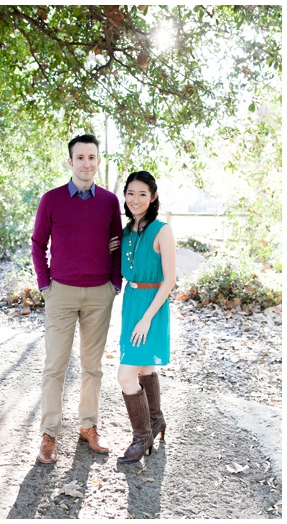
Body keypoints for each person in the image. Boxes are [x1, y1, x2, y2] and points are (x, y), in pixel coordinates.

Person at [31, 134, 123, 464]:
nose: (86, 163)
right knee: (55, 366)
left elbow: (118, 244)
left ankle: (88, 427)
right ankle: (49, 434)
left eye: (92, 157)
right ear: (70, 162)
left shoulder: (110, 202)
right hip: (61, 293)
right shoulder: (52, 200)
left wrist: (115, 283)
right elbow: (37, 245)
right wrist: (46, 285)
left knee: (92, 367)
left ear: (98, 162)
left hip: (100, 294)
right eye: (80, 157)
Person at [110, 171, 175, 463]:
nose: (136, 200)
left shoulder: (162, 230)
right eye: (131, 193)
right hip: (131, 301)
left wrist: (147, 317)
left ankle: (142, 435)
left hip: (152, 306)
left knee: (126, 375)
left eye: (143, 194)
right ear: (125, 196)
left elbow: (170, 280)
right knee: (145, 366)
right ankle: (156, 419)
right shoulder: (126, 232)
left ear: (153, 197)